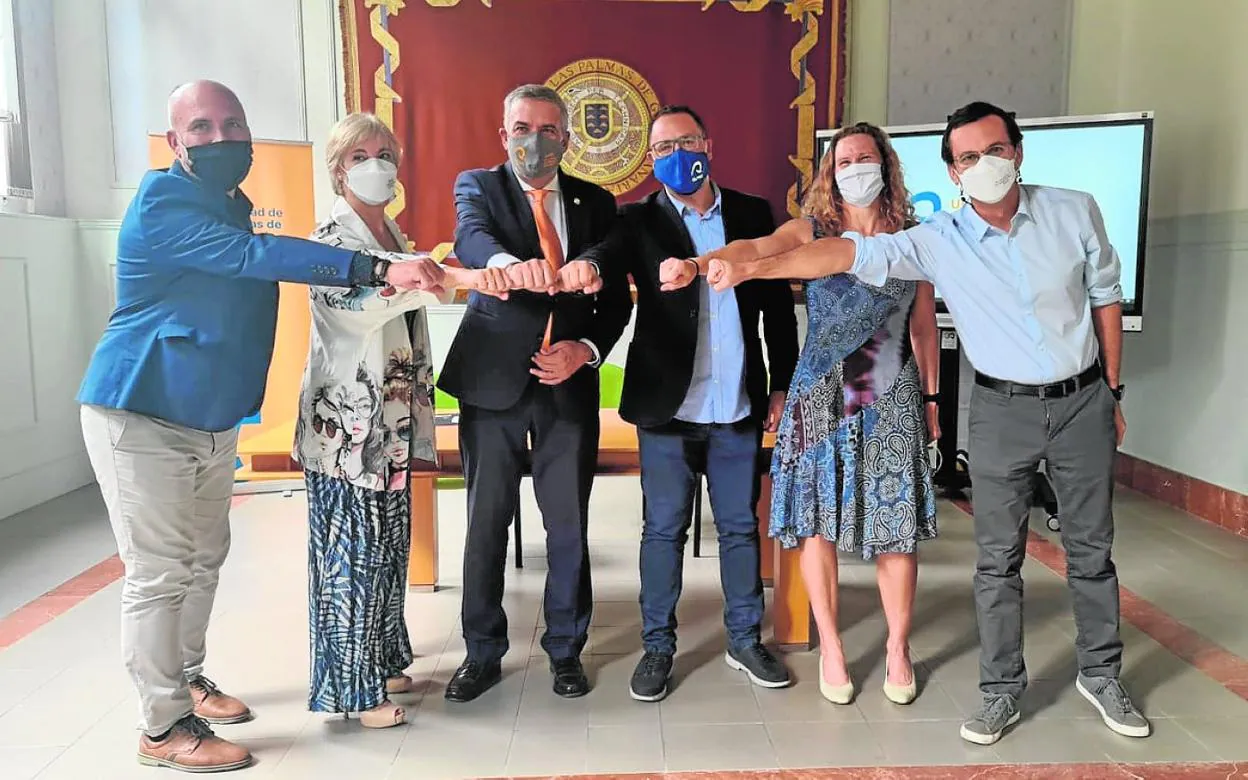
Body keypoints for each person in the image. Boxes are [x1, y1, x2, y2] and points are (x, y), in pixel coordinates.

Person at [700, 101, 1147, 746]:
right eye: (967, 157)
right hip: (891, 396)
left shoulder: (1024, 218)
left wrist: (1106, 389)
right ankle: (945, 676)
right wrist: (745, 265)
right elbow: (828, 256)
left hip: (962, 396)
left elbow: (1091, 295)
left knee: (1067, 548)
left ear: (1016, 152)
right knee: (967, 554)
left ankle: (1079, 672)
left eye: (994, 151)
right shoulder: (884, 234)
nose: (983, 166)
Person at [76, 81, 444, 773]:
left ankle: (186, 678)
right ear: (176, 139)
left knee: (203, 560)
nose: (221, 138)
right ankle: (162, 728)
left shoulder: (230, 202)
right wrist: (373, 268)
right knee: (159, 573)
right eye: (203, 127)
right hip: (140, 407)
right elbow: (255, 258)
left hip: (209, 415)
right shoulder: (165, 202)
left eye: (233, 124)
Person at [668, 122, 940, 705]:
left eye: (866, 158)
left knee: (896, 531)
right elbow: (759, 251)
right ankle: (834, 647)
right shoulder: (811, 229)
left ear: (886, 167)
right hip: (818, 393)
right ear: (829, 172)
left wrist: (933, 400)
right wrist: (706, 263)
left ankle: (897, 647)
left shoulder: (915, 238)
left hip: (892, 395)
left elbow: (922, 326)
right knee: (815, 524)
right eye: (844, 160)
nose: (855, 168)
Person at [582, 105, 799, 701]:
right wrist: (586, 268)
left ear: (708, 143)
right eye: (660, 148)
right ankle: (657, 647)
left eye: (683, 141)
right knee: (663, 531)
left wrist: (782, 385)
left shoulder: (752, 215)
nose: (674, 155)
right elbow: (605, 258)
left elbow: (779, 312)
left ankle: (745, 639)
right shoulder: (638, 221)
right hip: (667, 410)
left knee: (738, 529)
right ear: (650, 160)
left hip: (736, 404)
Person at [294, 113, 503, 729]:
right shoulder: (331, 238)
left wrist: (434, 275)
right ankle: (352, 694)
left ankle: (381, 659)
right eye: (362, 153)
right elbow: (357, 308)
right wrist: (442, 279)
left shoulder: (389, 232)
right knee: (350, 558)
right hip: (346, 429)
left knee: (388, 550)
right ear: (339, 168)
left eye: (385, 151)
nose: (377, 161)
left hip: (388, 425)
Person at [436, 84, 632, 702]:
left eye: (549, 131)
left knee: (568, 525)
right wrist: (502, 264)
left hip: (566, 384)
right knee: (486, 521)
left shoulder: (596, 200)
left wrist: (586, 350)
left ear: (567, 140)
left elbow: (614, 283)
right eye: (523, 128)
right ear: (504, 134)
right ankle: (482, 652)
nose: (535, 141)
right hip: (492, 381)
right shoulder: (479, 185)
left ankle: (566, 650)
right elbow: (470, 237)